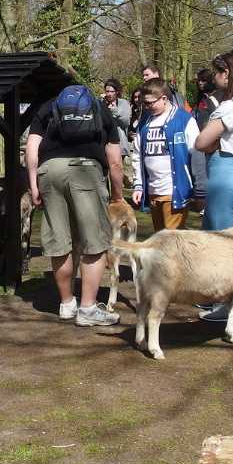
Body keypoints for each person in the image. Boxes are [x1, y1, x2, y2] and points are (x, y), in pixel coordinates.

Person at [25, 84, 125, 327]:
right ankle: (88, 308)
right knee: (95, 241)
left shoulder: (48, 107)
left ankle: (67, 303)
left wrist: (34, 184)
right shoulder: (100, 107)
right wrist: (118, 195)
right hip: (86, 171)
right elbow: (115, 160)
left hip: (49, 172)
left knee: (59, 240)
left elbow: (31, 149)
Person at [132, 77, 203, 232]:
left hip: (174, 191)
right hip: (152, 191)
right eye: (144, 103)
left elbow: (197, 153)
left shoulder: (184, 120)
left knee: (171, 242)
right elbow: (137, 154)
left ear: (164, 98)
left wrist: (199, 188)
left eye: (150, 103)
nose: (147, 106)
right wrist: (138, 185)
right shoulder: (145, 122)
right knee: (159, 240)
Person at [193, 52, 233, 231]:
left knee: (219, 246)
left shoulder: (230, 106)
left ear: (226, 73)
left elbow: (201, 142)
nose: (214, 76)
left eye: (216, 72)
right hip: (232, 173)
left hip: (224, 179)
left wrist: (213, 140)